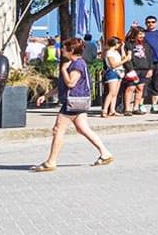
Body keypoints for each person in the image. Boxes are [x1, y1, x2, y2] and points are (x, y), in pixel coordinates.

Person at [31, 36, 114, 172]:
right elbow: (61, 85)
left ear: (71, 50)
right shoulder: (75, 63)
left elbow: (70, 83)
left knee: (58, 130)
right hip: (78, 101)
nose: (61, 49)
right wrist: (46, 96)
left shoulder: (77, 64)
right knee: (83, 128)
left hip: (72, 102)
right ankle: (105, 153)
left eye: (64, 48)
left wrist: (63, 69)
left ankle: (51, 161)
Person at [122, 28, 148, 115]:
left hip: (143, 68)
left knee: (140, 88)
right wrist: (130, 69)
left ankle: (136, 107)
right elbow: (127, 58)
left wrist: (150, 68)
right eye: (140, 34)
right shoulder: (129, 44)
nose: (142, 36)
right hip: (133, 69)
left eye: (143, 34)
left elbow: (149, 56)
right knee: (131, 88)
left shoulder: (146, 45)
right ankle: (127, 108)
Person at [100, 35, 125, 117]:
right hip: (112, 72)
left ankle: (112, 110)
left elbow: (123, 58)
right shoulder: (109, 53)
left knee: (115, 93)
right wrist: (125, 60)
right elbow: (113, 65)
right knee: (111, 92)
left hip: (119, 71)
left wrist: (122, 50)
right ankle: (105, 110)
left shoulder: (116, 52)